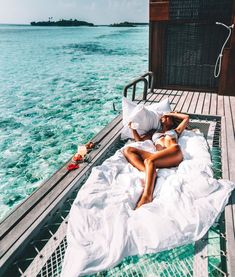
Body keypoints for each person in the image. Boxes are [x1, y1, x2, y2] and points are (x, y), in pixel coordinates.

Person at [123, 111, 189, 209]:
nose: (165, 117)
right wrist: (133, 129)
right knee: (128, 150)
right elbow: (139, 140)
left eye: (168, 117)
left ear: (172, 121)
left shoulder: (175, 130)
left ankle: (147, 196)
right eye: (164, 117)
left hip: (173, 152)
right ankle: (148, 172)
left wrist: (172, 113)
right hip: (158, 156)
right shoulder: (155, 132)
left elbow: (186, 118)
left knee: (149, 161)